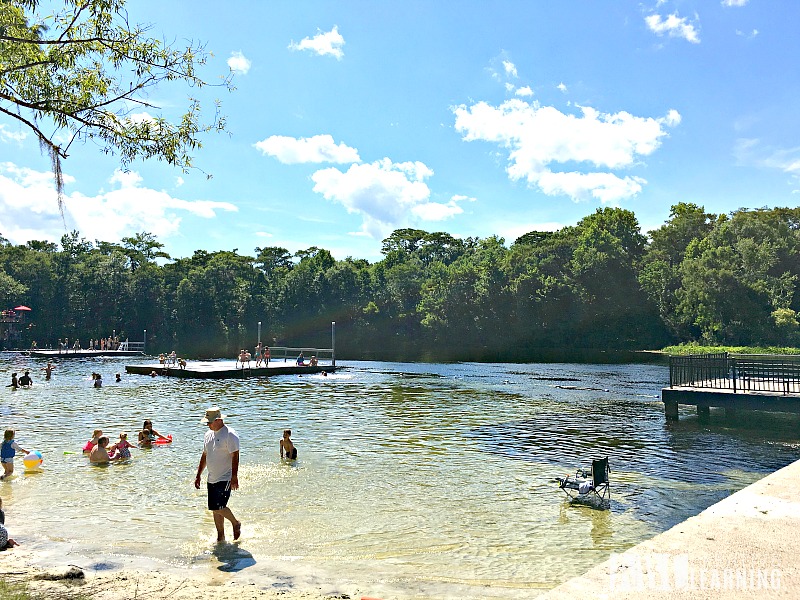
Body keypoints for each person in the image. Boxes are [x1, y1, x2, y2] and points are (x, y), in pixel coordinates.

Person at [195, 407, 241, 542]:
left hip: (225, 476)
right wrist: (198, 475)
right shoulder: (208, 435)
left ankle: (235, 522)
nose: (208, 425)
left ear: (219, 420)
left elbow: (235, 456)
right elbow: (205, 455)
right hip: (212, 477)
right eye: (207, 422)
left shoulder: (230, 434)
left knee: (216, 506)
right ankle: (221, 537)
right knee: (216, 509)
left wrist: (234, 476)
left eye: (209, 422)